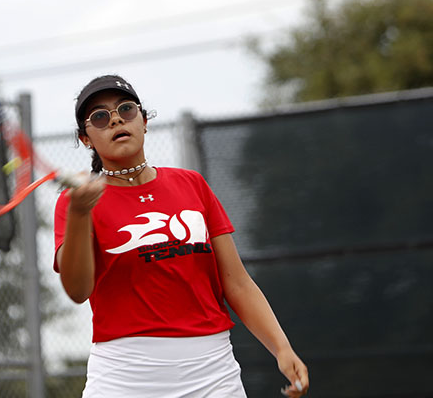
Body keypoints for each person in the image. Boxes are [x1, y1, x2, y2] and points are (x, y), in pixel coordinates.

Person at [53, 75, 309, 398]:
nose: (116, 119)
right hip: (125, 377)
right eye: (100, 117)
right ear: (86, 138)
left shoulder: (192, 185)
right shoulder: (75, 204)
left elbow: (237, 282)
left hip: (212, 372)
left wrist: (281, 348)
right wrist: (78, 214)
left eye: (126, 109)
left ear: (144, 122)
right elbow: (77, 290)